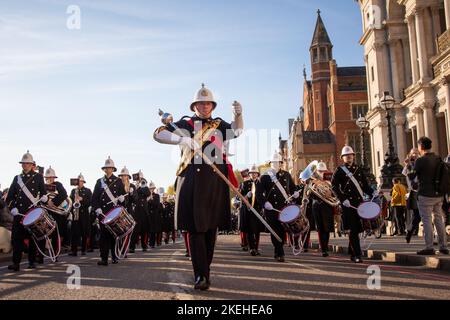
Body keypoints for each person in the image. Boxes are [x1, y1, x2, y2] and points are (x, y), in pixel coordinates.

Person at [154, 83, 243, 290]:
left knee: (211, 229)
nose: (205, 107)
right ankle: (200, 275)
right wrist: (182, 139)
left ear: (212, 106)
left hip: (214, 180)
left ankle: (205, 271)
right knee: (195, 229)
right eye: (201, 104)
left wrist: (238, 114)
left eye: (208, 103)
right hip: (192, 179)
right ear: (194, 106)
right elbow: (158, 134)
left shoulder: (219, 124)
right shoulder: (184, 124)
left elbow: (237, 131)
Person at [331, 146, 375, 263]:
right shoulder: (339, 170)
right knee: (353, 229)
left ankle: (352, 251)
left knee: (358, 229)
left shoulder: (359, 169)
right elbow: (334, 186)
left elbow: (364, 186)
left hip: (359, 203)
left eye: (350, 155)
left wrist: (373, 192)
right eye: (346, 155)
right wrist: (342, 199)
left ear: (354, 156)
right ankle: (357, 254)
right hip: (348, 204)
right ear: (342, 158)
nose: (349, 156)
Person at [6, 151, 48, 271]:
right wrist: (12, 207)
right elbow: (10, 197)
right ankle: (16, 263)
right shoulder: (17, 178)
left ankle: (31, 261)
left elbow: (43, 194)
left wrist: (45, 198)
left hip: (32, 212)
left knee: (32, 238)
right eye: (23, 163)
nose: (25, 165)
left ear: (32, 164)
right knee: (16, 239)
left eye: (27, 163)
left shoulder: (38, 177)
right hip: (19, 213)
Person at [407, 137, 449, 255]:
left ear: (420, 147)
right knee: (439, 219)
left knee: (427, 220)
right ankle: (443, 246)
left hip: (425, 194)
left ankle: (429, 247)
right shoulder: (438, 158)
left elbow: (412, 176)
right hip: (438, 194)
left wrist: (410, 164)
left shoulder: (421, 161)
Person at [256, 152, 300, 262]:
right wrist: (264, 203)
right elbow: (258, 193)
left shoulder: (286, 175)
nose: (276, 164)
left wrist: (296, 194)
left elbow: (293, 188)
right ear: (270, 163)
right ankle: (279, 251)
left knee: (282, 230)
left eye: (278, 162)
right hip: (271, 209)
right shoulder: (264, 176)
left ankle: (278, 251)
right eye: (274, 162)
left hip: (284, 208)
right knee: (275, 230)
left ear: (281, 163)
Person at [91, 157, 127, 266]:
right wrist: (96, 208)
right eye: (106, 168)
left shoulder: (118, 181)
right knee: (104, 236)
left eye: (110, 168)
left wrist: (123, 199)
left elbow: (124, 198)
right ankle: (104, 258)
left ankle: (115, 256)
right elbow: (94, 198)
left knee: (114, 235)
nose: (108, 170)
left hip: (114, 212)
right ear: (104, 170)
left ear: (113, 169)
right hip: (103, 212)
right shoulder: (99, 181)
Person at [238, 164, 265, 256]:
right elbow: (240, 197)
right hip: (248, 209)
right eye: (251, 173)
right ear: (249, 174)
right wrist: (246, 196)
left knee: (257, 230)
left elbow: (263, 196)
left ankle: (256, 248)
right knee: (250, 230)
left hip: (257, 209)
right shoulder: (244, 184)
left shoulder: (261, 184)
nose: (253, 175)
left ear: (257, 174)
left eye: (255, 173)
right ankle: (252, 248)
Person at [311, 162, 335, 257]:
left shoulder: (330, 180)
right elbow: (309, 193)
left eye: (323, 171)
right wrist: (313, 187)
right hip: (317, 205)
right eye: (320, 171)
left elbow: (334, 192)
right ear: (317, 171)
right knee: (320, 228)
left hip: (328, 205)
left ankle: (326, 246)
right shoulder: (313, 180)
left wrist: (330, 190)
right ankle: (324, 249)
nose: (321, 172)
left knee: (327, 228)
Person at [69, 174, 92, 256]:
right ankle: (74, 250)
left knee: (84, 232)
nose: (79, 183)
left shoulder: (88, 191)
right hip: (75, 213)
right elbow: (70, 201)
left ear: (83, 182)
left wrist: (82, 199)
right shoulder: (73, 191)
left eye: (80, 181)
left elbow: (90, 202)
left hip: (84, 214)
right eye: (78, 181)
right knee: (74, 233)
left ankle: (83, 249)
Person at [129, 171, 150, 253]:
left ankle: (144, 246)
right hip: (136, 211)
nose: (139, 180)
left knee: (144, 230)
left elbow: (147, 193)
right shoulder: (133, 186)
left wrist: (142, 185)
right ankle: (132, 247)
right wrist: (136, 187)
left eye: (140, 178)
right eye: (138, 178)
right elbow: (133, 197)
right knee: (135, 230)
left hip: (144, 211)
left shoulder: (144, 185)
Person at [147, 181, 162, 248]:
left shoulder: (157, 196)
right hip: (148, 215)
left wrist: (151, 199)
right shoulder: (146, 196)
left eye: (152, 188)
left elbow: (156, 204)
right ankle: (148, 243)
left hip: (154, 215)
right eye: (150, 188)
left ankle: (152, 243)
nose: (151, 189)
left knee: (153, 230)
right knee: (148, 230)